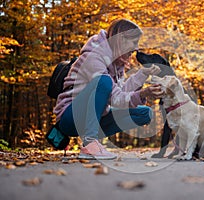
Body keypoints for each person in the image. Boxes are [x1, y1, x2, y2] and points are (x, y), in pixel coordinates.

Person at [53, 19, 163, 159]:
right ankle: (90, 144)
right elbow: (115, 98)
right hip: (71, 117)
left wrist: (143, 74)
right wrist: (143, 93)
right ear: (121, 39)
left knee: (144, 113)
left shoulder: (118, 63)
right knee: (103, 81)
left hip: (95, 119)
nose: (136, 48)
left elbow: (121, 93)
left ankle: (92, 138)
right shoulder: (94, 56)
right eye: (134, 42)